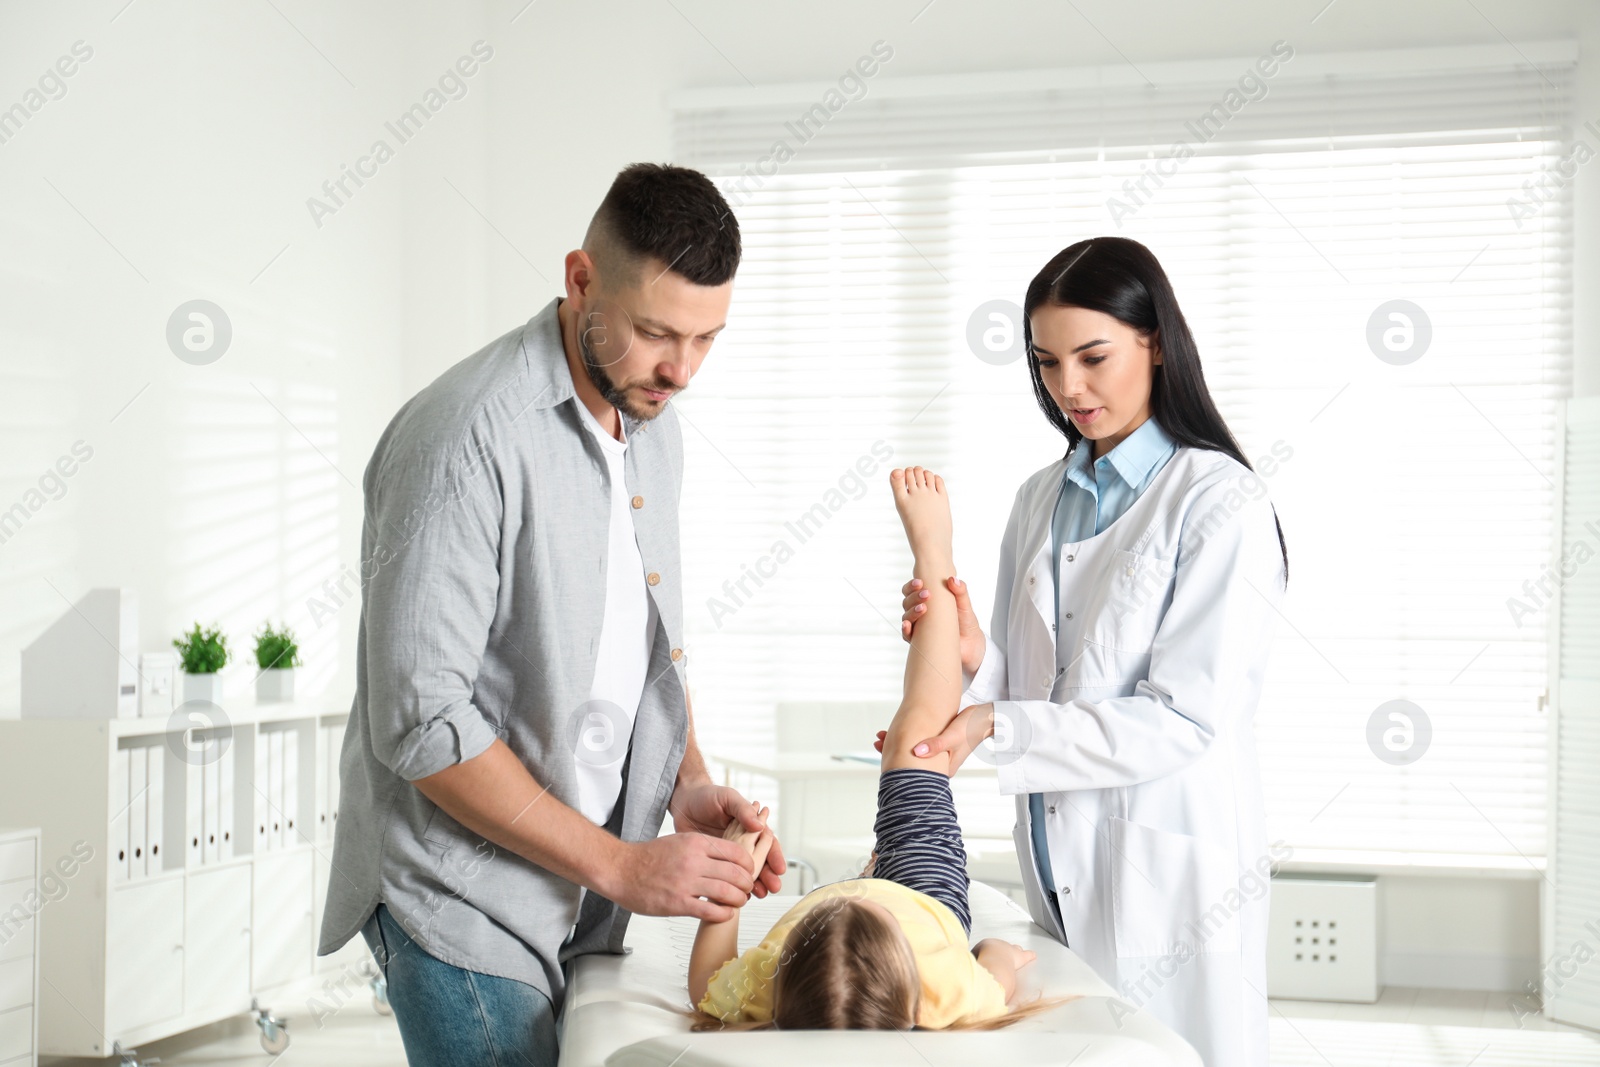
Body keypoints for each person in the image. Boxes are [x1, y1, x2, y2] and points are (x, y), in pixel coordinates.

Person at [316, 162, 785, 1066]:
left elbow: (648, 644)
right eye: (656, 332)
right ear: (580, 281)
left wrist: (686, 782)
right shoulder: (464, 435)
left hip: (574, 891)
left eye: (706, 339)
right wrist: (621, 864)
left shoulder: (652, 422)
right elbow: (421, 722)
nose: (680, 370)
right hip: (462, 896)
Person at [882, 237, 1288, 1065]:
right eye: (1047, 362)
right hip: (1057, 856)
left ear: (1157, 344)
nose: (1069, 387)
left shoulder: (1218, 501)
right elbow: (1037, 680)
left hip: (1168, 864)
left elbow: (1182, 718)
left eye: (1093, 356)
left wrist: (998, 718)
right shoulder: (1041, 499)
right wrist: (971, 656)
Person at [689, 467, 1072, 1031]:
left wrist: (731, 878)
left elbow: (705, 987)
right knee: (916, 747)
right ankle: (934, 552)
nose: (868, 890)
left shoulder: (772, 979)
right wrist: (1005, 957)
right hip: (928, 900)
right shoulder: (944, 989)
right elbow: (994, 961)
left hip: (847, 939)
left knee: (909, 750)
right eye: (870, 901)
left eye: (850, 898)